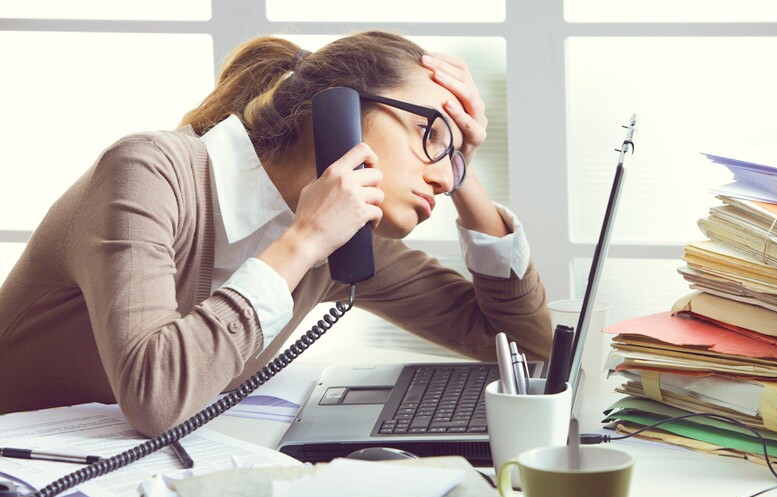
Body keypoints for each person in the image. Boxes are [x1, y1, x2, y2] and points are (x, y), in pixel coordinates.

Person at [0, 31, 552, 436]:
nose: (441, 171)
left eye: (454, 156)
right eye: (429, 134)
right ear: (338, 109)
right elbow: (156, 395)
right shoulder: (147, 172)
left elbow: (521, 347)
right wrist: (303, 243)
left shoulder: (351, 234)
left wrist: (467, 180)